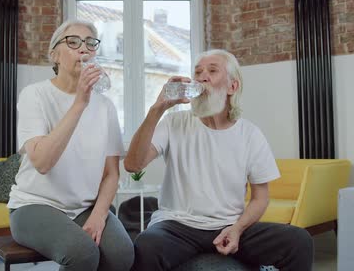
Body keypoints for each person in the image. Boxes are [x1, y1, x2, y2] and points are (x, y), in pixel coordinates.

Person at [124, 49, 313, 271]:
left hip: (229, 226)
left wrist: (238, 229)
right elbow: (133, 165)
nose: (202, 76)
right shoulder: (174, 122)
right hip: (178, 226)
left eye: (212, 71)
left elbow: (261, 198)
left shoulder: (249, 134)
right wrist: (157, 110)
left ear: (233, 87)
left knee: (299, 240)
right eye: (198, 72)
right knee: (147, 245)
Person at [7, 20, 134, 271]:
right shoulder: (35, 95)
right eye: (73, 42)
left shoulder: (106, 106)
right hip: (33, 205)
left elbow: (111, 174)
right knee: (83, 254)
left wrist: (99, 216)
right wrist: (80, 102)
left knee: (122, 255)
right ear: (55, 54)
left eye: (89, 43)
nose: (83, 49)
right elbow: (42, 163)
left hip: (84, 208)